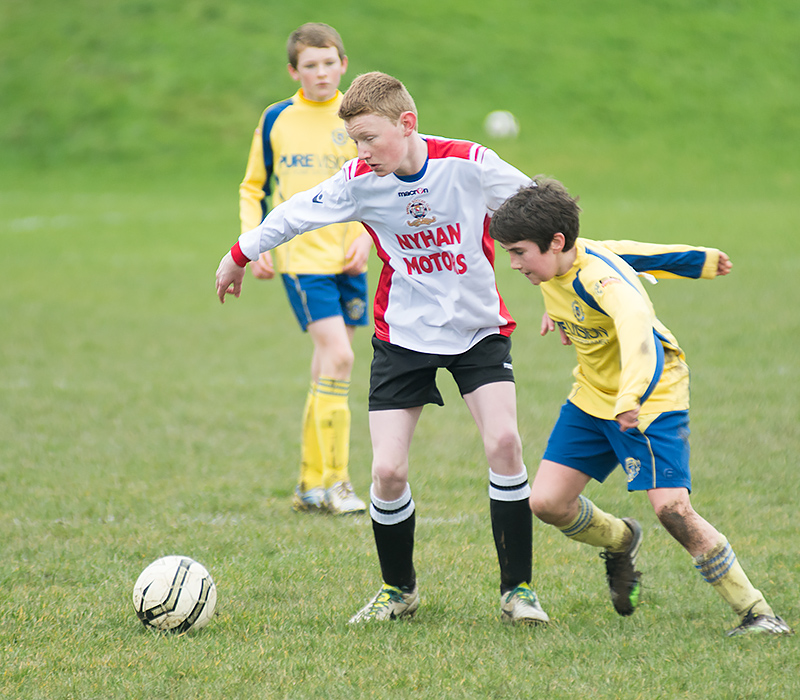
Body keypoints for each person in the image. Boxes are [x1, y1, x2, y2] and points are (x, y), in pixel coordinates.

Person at [217, 71, 550, 625]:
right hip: (404, 336)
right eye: (354, 140)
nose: (361, 151)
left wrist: (566, 291)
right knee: (388, 473)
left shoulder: (469, 163)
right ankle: (399, 591)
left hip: (477, 329)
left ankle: (518, 591)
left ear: (407, 124)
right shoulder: (357, 180)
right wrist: (239, 254)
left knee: (507, 444)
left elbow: (544, 213)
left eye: (370, 138)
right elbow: (295, 212)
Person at [488, 177, 793, 637]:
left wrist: (630, 398)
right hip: (592, 398)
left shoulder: (602, 281)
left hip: (649, 397)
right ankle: (621, 539)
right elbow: (635, 251)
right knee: (548, 502)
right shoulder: (566, 260)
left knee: (672, 509)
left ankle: (757, 613)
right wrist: (700, 261)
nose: (512, 264)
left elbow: (636, 329)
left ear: (555, 242)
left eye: (518, 252)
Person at [238, 23, 372, 515]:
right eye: (309, 65)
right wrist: (255, 243)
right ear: (294, 71)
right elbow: (253, 187)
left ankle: (307, 485)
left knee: (328, 367)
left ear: (343, 64)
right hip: (300, 261)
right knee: (338, 359)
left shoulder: (358, 117)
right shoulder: (276, 118)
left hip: (348, 259)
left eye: (329, 62)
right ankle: (338, 482)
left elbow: (374, 182)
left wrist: (364, 238)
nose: (320, 72)